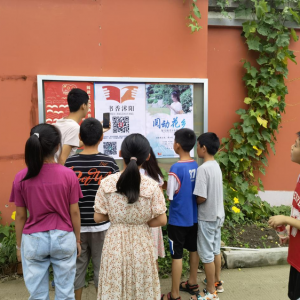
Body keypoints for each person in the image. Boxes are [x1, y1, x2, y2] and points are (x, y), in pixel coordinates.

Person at [9, 123, 82, 300]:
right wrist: (78, 240)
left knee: (37, 295)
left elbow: (20, 216)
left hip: (33, 240)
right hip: (64, 238)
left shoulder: (21, 177)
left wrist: (19, 247)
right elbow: (75, 213)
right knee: (65, 293)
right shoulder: (68, 175)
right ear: (57, 147)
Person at [94, 134, 167, 300]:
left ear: (120, 153)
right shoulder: (152, 186)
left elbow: (98, 218)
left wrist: (116, 217)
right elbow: (162, 220)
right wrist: (141, 220)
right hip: (142, 243)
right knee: (141, 288)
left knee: (114, 288)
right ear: (147, 156)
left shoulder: (107, 183)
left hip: (114, 244)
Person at [65, 118, 119, 300]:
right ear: (102, 137)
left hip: (75, 229)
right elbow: (116, 196)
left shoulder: (69, 165)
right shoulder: (110, 164)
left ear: (80, 136)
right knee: (102, 270)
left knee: (76, 271)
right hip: (102, 226)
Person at [162, 128, 199, 300]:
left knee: (177, 256)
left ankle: (174, 294)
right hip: (194, 218)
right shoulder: (195, 165)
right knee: (193, 249)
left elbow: (171, 195)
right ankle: (192, 282)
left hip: (177, 220)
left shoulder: (175, 168)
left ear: (177, 145)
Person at [192, 132, 224, 300]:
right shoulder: (216, 166)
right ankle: (216, 281)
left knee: (206, 255)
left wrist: (193, 199)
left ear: (203, 148)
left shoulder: (203, 169)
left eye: (198, 145)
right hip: (218, 215)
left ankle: (211, 291)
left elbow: (201, 197)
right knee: (215, 250)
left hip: (207, 216)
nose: (196, 148)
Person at [268, 132, 300, 300]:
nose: (291, 147)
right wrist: (290, 227)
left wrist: (286, 219)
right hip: (296, 257)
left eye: (296, 144)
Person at [54, 88, 110, 165]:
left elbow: (74, 142)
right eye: (88, 103)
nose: (89, 107)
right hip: (61, 173)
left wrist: (97, 131)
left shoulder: (60, 122)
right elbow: (62, 160)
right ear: (83, 106)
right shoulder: (74, 128)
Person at [141, 147, 166, 267]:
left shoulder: (129, 174)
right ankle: (155, 285)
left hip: (137, 220)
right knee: (153, 255)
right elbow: (161, 201)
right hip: (154, 220)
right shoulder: (155, 176)